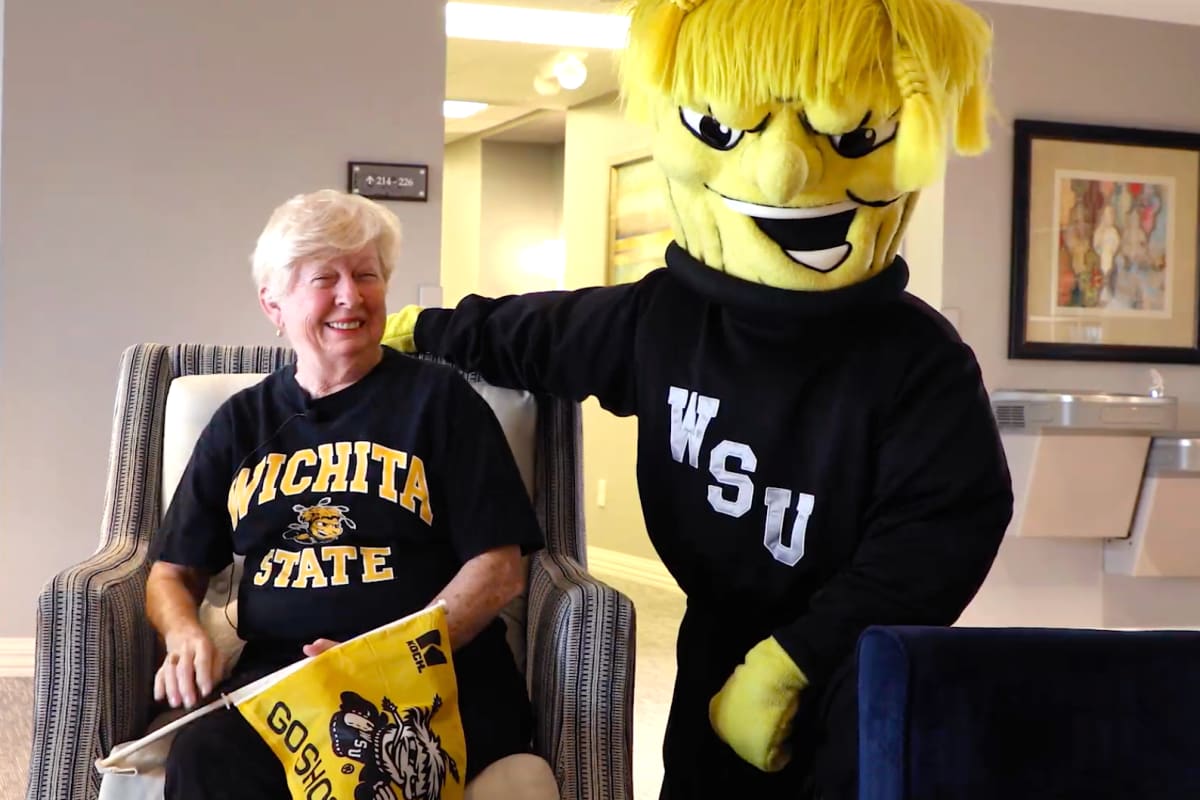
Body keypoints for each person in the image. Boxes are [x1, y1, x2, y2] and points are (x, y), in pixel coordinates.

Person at [382, 1, 1014, 798]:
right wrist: (411, 329)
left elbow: (945, 525)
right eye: (724, 129)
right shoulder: (667, 315)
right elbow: (538, 331)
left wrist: (794, 662)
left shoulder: (918, 358)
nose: (785, 170)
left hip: (855, 658)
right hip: (714, 632)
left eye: (850, 134)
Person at [146, 189, 550, 799]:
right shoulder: (240, 424)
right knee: (204, 759)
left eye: (366, 275)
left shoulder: (440, 403)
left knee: (374, 767)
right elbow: (171, 574)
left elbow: (499, 570)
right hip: (289, 681)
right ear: (273, 303)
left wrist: (385, 657)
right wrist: (183, 634)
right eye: (323, 278)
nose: (350, 296)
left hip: (432, 679)